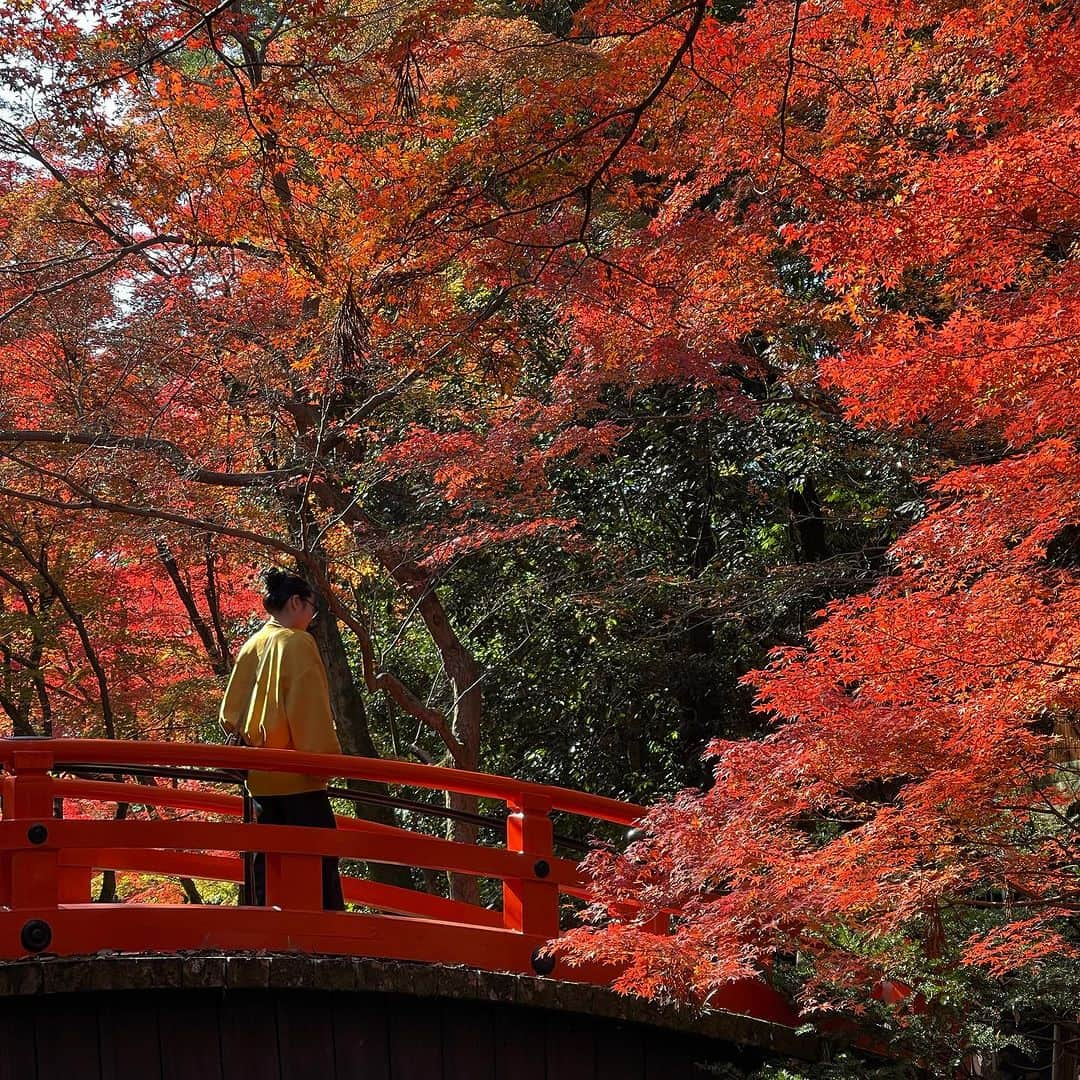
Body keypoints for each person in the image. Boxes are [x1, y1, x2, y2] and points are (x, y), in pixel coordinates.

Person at [219, 568, 345, 911]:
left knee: (267, 871)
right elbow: (310, 714)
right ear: (295, 602)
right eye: (311, 607)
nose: (312, 617)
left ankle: (270, 944)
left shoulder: (252, 645)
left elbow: (230, 712)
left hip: (259, 783)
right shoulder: (296, 643)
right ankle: (325, 946)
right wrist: (324, 764)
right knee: (318, 873)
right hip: (299, 780)